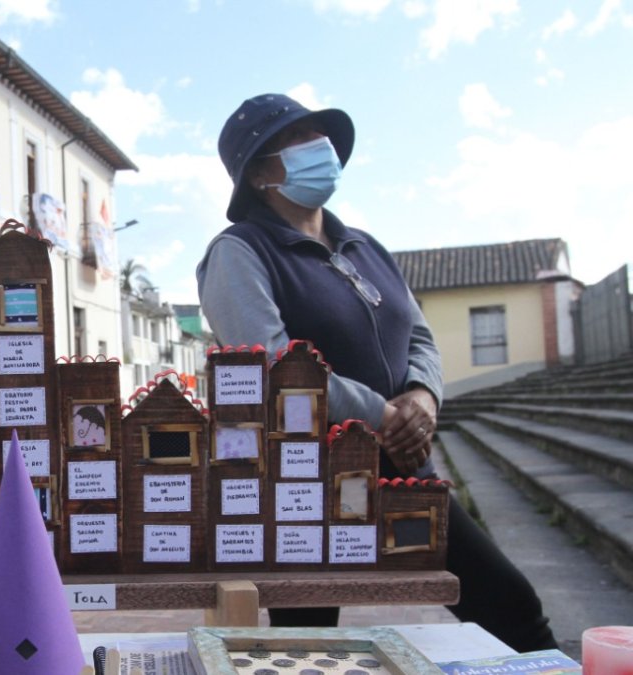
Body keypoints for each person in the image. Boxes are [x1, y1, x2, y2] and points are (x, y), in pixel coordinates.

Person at [196, 93, 558, 652]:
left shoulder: (364, 247)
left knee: (511, 606)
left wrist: (423, 398)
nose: (321, 148)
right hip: (307, 484)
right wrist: (381, 414)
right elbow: (268, 364)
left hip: (404, 469)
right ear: (261, 170)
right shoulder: (240, 252)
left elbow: (418, 334)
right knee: (307, 642)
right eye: (299, 139)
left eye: (321, 135)